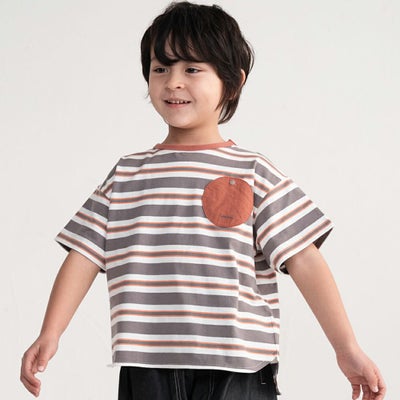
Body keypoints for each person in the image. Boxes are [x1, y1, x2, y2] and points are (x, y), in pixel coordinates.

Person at [20, 2, 386, 399]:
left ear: (233, 82)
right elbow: (84, 256)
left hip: (238, 368)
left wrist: (346, 348)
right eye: (161, 68)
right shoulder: (126, 174)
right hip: (148, 366)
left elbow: (305, 260)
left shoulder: (253, 172)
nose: (173, 82)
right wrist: (50, 333)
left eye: (192, 69)